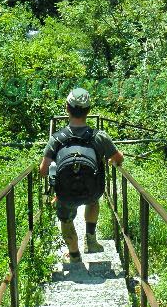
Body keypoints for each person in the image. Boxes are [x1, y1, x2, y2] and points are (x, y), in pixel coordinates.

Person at [39, 88, 124, 263]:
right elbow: (118, 159)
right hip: (92, 190)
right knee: (93, 199)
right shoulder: (99, 137)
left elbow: (43, 170)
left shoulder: (56, 139)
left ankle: (75, 255)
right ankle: (91, 240)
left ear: (67, 108)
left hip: (65, 194)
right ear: (89, 110)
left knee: (66, 219)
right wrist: (109, 160)